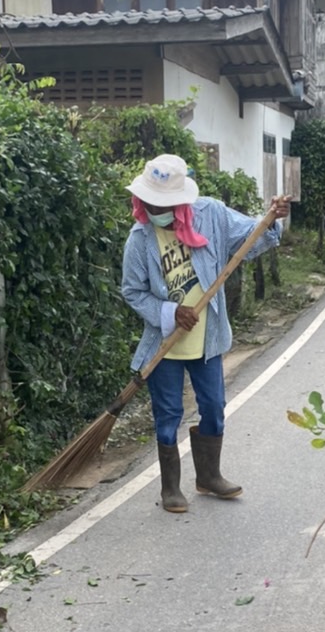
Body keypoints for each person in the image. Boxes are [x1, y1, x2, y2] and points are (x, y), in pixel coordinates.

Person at [121, 154, 291, 513]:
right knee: (167, 413)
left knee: (213, 406)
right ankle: (170, 488)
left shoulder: (211, 215)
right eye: (150, 203)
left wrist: (271, 219)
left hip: (207, 338)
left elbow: (253, 238)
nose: (156, 210)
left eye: (163, 204)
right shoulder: (139, 240)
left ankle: (208, 476)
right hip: (164, 345)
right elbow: (133, 291)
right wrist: (169, 312)